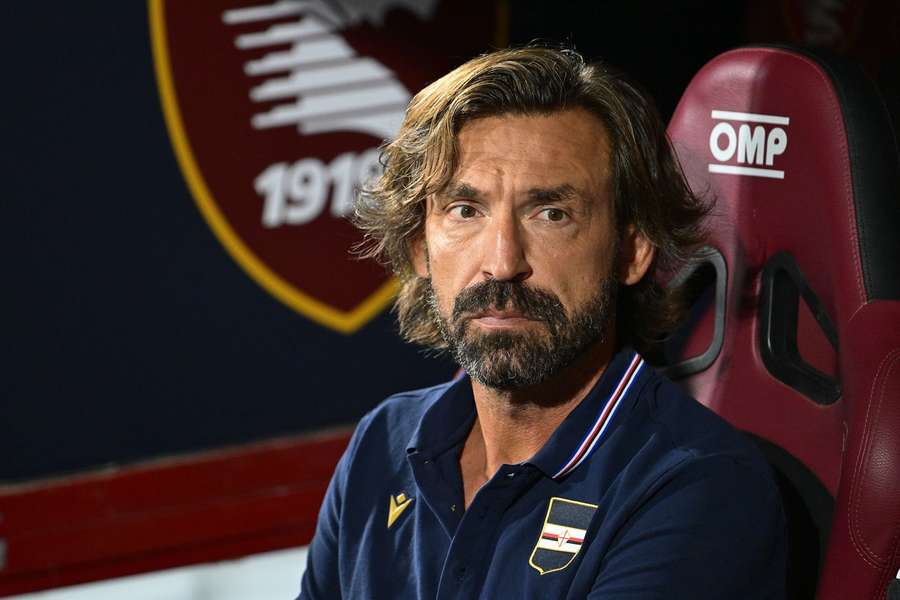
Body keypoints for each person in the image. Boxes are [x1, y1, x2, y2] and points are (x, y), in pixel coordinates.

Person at [298, 46, 786, 599]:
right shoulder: (381, 444)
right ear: (419, 248)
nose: (503, 261)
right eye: (466, 211)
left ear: (632, 249)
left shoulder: (700, 486)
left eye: (551, 213)